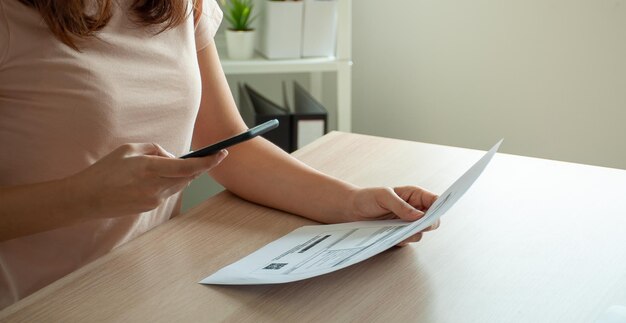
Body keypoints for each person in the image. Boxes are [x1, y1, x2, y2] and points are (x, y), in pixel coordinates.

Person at [0, 0, 439, 309]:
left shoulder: (178, 5)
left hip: (143, 286)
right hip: (33, 301)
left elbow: (231, 142)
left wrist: (352, 204)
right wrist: (83, 197)